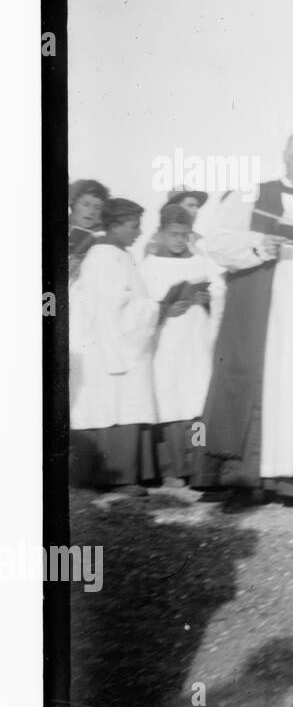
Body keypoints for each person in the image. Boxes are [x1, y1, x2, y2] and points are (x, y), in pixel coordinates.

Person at [193, 131, 293, 506]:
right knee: (249, 380)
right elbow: (214, 242)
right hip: (255, 312)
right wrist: (257, 245)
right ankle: (242, 480)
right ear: (285, 155)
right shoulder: (251, 194)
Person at [69, 198, 159, 495]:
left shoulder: (117, 253)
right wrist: (156, 308)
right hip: (113, 347)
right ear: (114, 225)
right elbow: (112, 307)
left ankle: (129, 474)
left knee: (123, 405)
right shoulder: (105, 257)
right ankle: (116, 478)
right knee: (115, 407)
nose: (138, 232)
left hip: (119, 344)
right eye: (133, 226)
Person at [139, 203, 224, 486]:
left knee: (197, 402)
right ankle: (176, 468)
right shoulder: (147, 266)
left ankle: (198, 464)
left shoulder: (200, 262)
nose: (179, 240)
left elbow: (219, 292)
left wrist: (208, 300)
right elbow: (141, 305)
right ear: (161, 232)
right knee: (172, 404)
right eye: (173, 234)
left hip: (196, 341)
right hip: (166, 343)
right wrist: (162, 310)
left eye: (185, 235)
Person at [68, 179, 109, 277]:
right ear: (73, 204)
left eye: (97, 207)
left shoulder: (103, 237)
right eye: (86, 205)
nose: (91, 212)